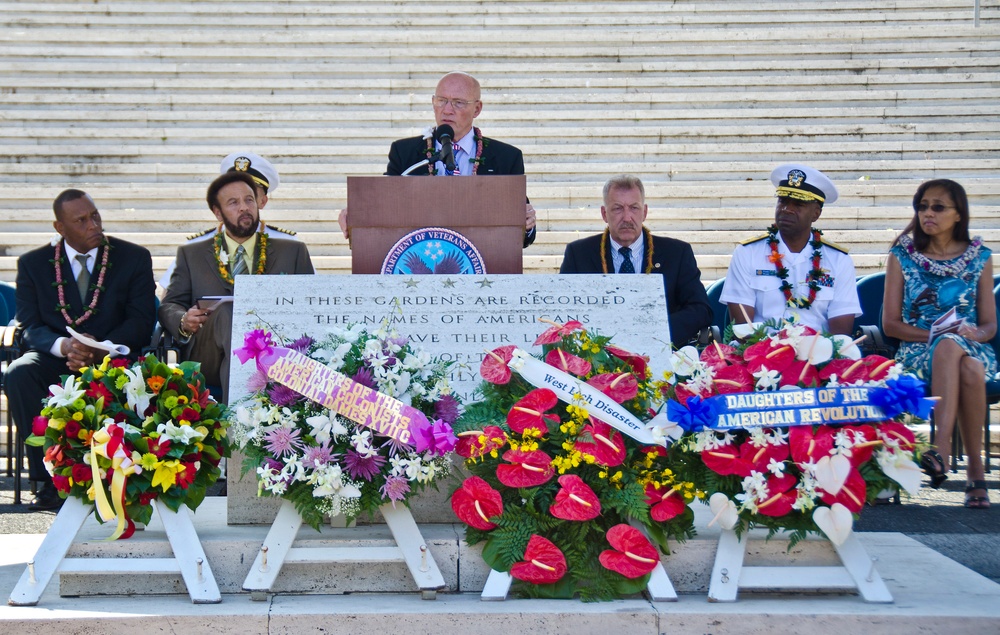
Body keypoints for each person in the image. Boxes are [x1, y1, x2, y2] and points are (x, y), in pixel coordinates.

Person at [5, 189, 156, 510]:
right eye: (82, 220)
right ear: (60, 228)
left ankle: (125, 475)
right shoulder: (33, 264)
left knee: (136, 374)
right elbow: (30, 326)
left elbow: (142, 320)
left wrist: (102, 350)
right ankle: (47, 482)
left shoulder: (133, 257)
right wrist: (66, 347)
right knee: (20, 372)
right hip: (57, 358)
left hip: (114, 357)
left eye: (95, 216)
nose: (93, 225)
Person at [882, 179, 994, 509]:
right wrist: (937, 334)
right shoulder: (902, 256)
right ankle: (974, 472)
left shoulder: (980, 257)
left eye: (938, 207)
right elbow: (891, 325)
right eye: (922, 206)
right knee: (963, 364)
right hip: (917, 351)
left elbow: (990, 324)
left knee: (964, 357)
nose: (928, 212)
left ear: (959, 214)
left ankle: (941, 450)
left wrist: (975, 333)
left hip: (971, 347)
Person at [159, 171, 313, 402]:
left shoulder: (292, 251)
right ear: (217, 212)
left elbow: (312, 303)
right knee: (228, 313)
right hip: (209, 355)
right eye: (233, 203)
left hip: (277, 351)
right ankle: (241, 414)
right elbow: (169, 304)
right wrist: (183, 320)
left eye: (249, 200)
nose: (244, 207)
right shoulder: (192, 254)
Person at [338, 71, 537, 248]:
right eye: (441, 100)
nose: (447, 110)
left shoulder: (506, 157)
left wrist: (527, 224)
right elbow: (386, 203)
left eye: (458, 102)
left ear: (477, 109)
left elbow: (522, 233)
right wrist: (358, 214)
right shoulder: (405, 153)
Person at [559, 174, 713, 347]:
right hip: (600, 354)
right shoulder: (578, 254)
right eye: (617, 208)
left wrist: (655, 332)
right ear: (604, 213)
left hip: (663, 349)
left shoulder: (677, 253)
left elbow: (701, 309)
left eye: (634, 208)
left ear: (645, 212)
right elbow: (566, 311)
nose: (626, 218)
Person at [721, 164, 861, 335]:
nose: (786, 209)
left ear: (816, 213)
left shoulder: (838, 259)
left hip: (818, 355)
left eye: (798, 204)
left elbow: (840, 332)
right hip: (759, 354)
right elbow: (743, 328)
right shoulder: (747, 253)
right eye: (783, 201)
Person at [157, 151, 304, 289]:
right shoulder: (195, 246)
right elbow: (170, 300)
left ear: (262, 201)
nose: (242, 206)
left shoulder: (290, 246)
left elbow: (310, 296)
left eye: (249, 194)